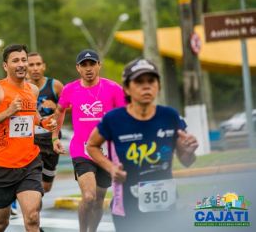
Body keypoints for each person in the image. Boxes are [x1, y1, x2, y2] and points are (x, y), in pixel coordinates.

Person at [86, 58, 198, 231]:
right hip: (127, 207)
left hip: (165, 206)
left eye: (151, 81)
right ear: (127, 89)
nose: (146, 86)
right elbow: (91, 146)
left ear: (158, 86)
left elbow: (186, 161)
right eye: (139, 81)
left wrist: (189, 152)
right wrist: (111, 168)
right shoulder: (113, 119)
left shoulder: (170, 116)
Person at [0, 44, 56, 232]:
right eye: (15, 60)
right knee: (1, 224)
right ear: (5, 66)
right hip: (0, 167)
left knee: (33, 218)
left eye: (23, 60)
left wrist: (43, 123)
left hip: (29, 163)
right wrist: (8, 112)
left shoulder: (32, 90)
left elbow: (32, 116)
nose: (21, 64)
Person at [53, 49, 125, 232]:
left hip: (106, 152)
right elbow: (60, 110)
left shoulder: (114, 89)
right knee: (89, 196)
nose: (88, 68)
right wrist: (55, 136)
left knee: (99, 199)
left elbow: (125, 116)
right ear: (78, 68)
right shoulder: (70, 89)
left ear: (99, 65)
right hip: (81, 149)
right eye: (84, 65)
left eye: (92, 64)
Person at [11, 52, 64, 216]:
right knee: (30, 178)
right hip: (30, 139)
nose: (34, 68)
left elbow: (68, 108)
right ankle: (26, 211)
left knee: (45, 186)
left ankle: (31, 208)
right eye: (31, 65)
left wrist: (55, 106)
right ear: (26, 68)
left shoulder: (55, 86)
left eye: (38, 64)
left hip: (51, 140)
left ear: (44, 66)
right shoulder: (21, 87)